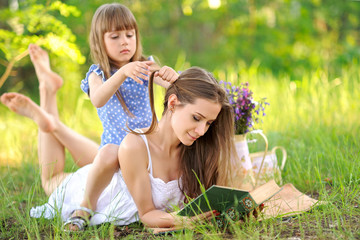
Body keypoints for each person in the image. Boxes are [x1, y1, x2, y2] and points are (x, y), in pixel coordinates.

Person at [1, 66, 238, 230]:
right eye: (196, 118)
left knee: (105, 155)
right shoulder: (136, 145)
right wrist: (184, 221)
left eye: (208, 123)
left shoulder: (196, 148)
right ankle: (47, 105)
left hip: (109, 168)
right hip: (90, 192)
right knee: (51, 179)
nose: (202, 131)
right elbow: (147, 215)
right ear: (173, 103)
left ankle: (53, 122)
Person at [69, 3, 178, 228]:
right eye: (115, 36)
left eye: (130, 34)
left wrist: (172, 76)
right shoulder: (97, 73)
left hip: (146, 146)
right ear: (100, 41)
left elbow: (173, 87)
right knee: (108, 152)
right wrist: (122, 74)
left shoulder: (145, 64)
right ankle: (85, 206)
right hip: (116, 149)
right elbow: (98, 98)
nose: (125, 41)